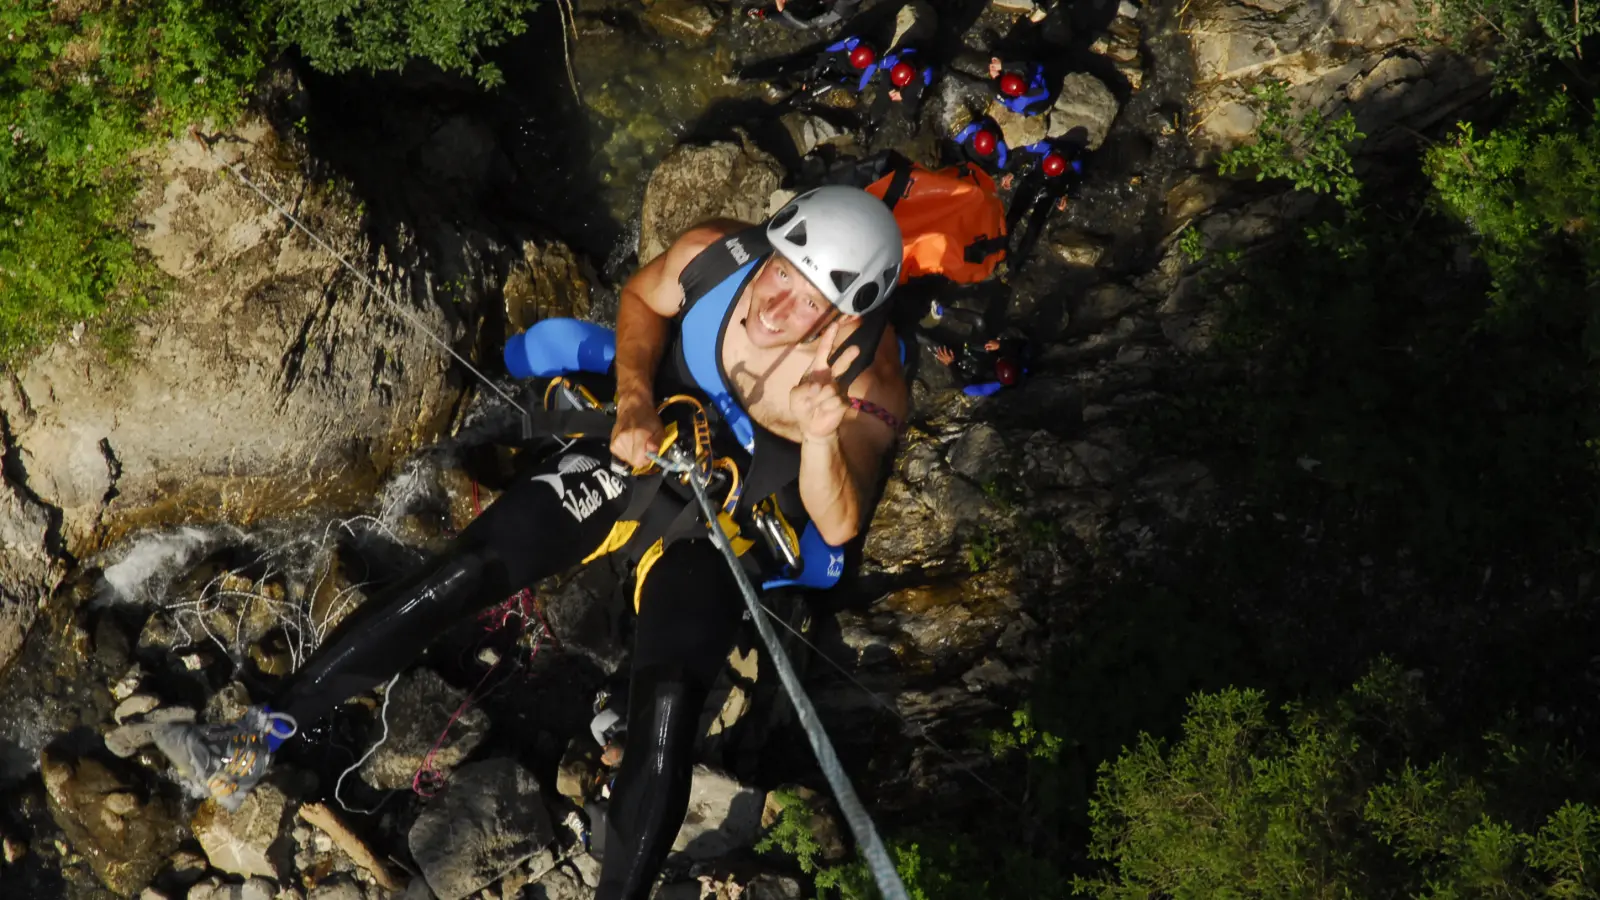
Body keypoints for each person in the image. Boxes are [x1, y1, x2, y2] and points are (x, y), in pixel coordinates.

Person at [152, 186, 909, 900]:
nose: (775, 303)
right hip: (634, 456)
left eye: (806, 299)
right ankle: (260, 732)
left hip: (716, 527)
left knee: (671, 705)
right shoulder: (719, 255)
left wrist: (817, 437)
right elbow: (644, 298)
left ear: (841, 315)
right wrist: (636, 400)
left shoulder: (866, 379)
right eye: (780, 271)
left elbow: (839, 524)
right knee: (468, 570)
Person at [1001, 136, 1087, 266]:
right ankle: (1000, 246)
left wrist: (1065, 196)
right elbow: (1023, 153)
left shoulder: (1075, 164)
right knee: (1013, 216)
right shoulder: (1043, 147)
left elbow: (1075, 182)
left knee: (1034, 225)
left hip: (1054, 185)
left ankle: (1018, 261)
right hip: (1035, 177)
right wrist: (1013, 172)